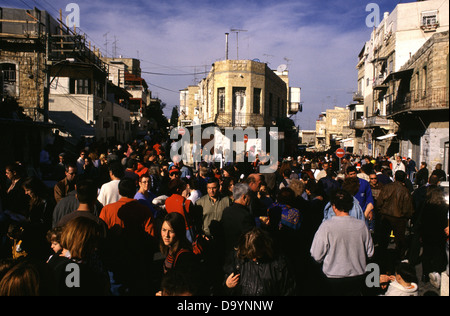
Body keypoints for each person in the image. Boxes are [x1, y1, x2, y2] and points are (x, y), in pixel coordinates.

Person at [310, 189, 374, 296]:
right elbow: (370, 253)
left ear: (333, 206)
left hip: (333, 277)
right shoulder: (361, 225)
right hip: (357, 275)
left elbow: (316, 255)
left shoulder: (327, 226)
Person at [47, 216, 110, 295]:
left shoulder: (56, 258)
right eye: (93, 241)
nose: (96, 247)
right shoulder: (73, 268)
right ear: (81, 241)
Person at [223, 227, 296, 296]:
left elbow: (289, 291)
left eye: (257, 256)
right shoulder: (238, 259)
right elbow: (226, 287)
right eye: (250, 256)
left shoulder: (279, 264)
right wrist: (227, 285)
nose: (254, 259)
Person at [158, 212, 202, 294]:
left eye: (171, 231)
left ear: (179, 232)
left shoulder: (184, 257)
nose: (166, 235)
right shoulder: (170, 250)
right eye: (164, 230)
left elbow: (184, 289)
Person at [376, 170, 414, 261]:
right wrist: (407, 216)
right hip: (399, 218)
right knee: (399, 240)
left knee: (384, 238)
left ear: (395, 177)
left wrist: (380, 211)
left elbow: (379, 201)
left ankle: (381, 255)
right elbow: (408, 206)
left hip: (386, 215)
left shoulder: (387, 187)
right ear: (404, 179)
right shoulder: (405, 191)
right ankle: (399, 258)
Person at [419, 185, 448, 288]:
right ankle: (437, 272)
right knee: (438, 253)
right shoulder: (444, 207)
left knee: (426, 254)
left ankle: (425, 274)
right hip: (440, 234)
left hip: (427, 234)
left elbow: (421, 221)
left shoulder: (426, 205)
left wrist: (421, 234)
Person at [220, 183, 255, 255]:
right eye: (249, 196)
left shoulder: (226, 211)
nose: (250, 198)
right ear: (244, 197)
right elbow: (250, 238)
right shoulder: (245, 215)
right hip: (241, 253)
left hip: (228, 251)